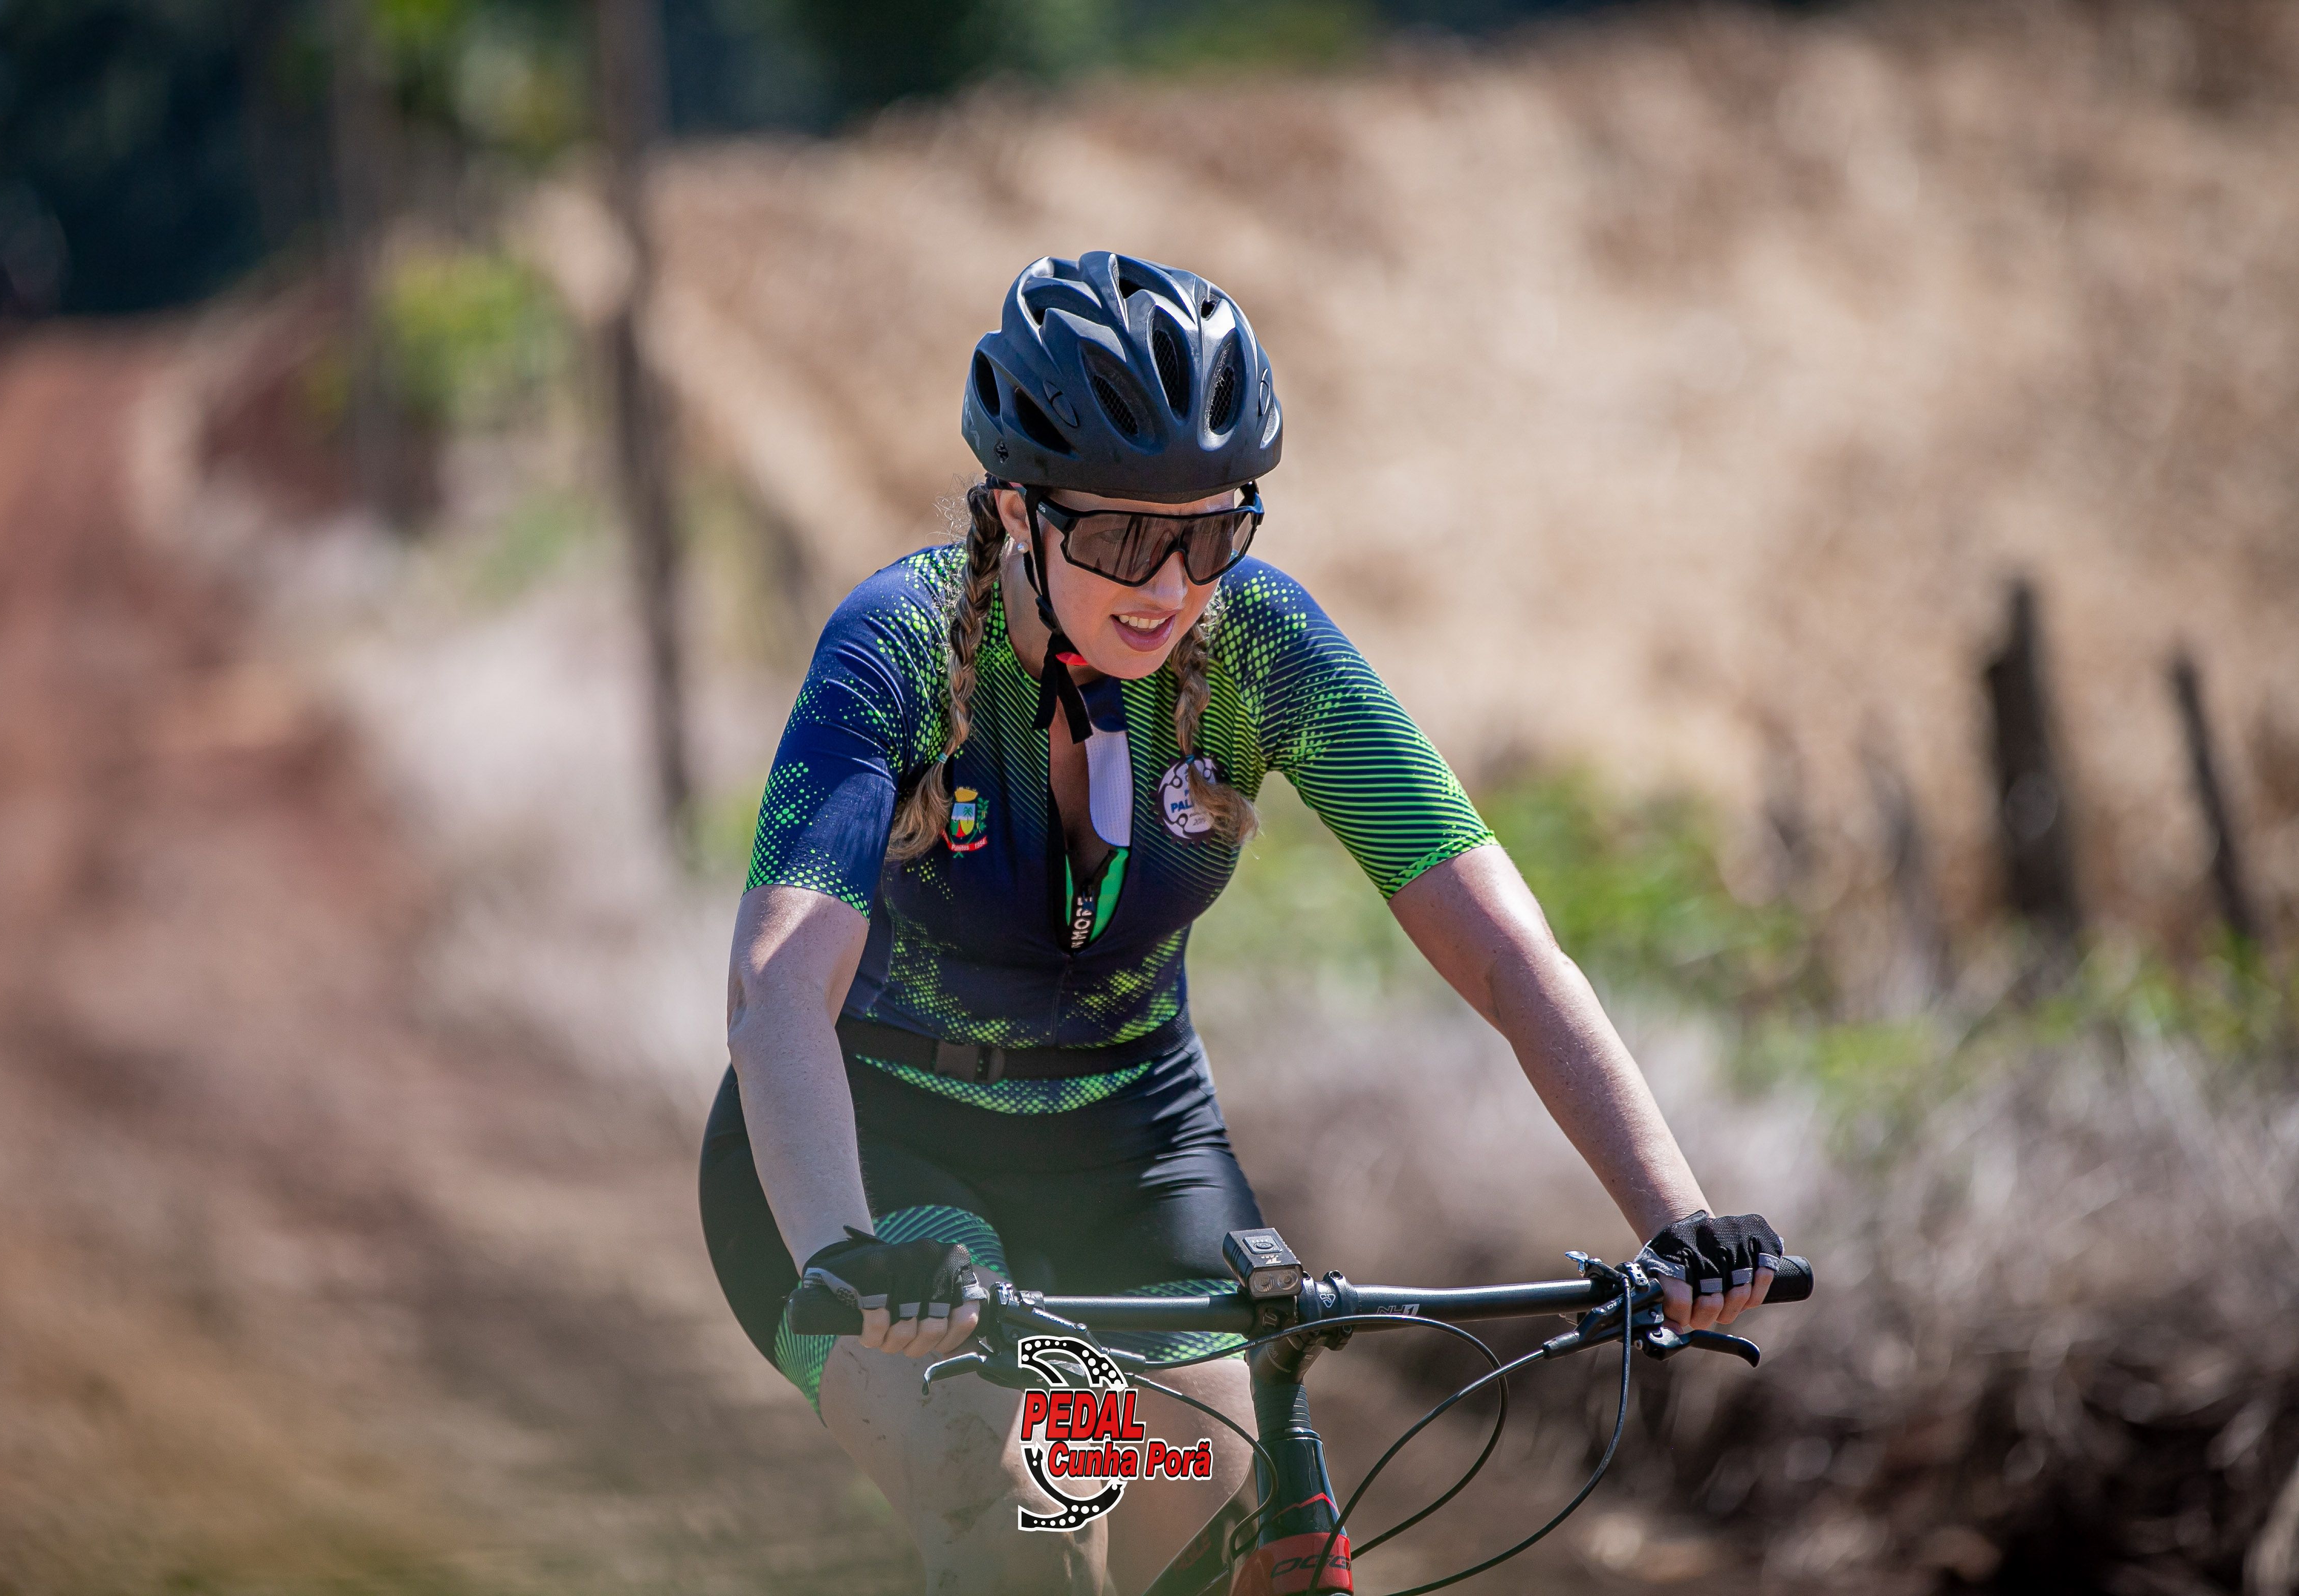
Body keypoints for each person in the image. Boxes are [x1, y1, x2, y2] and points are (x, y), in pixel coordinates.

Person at [700, 251, 1787, 1595]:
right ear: (1015, 512)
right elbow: (777, 987)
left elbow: (1503, 946)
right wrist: (845, 1252)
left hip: (1133, 1143)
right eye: (1120, 538)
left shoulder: (1261, 647)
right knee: (1029, 1491)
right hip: (883, 1147)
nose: (1168, 583)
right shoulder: (903, 645)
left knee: (1232, 1517)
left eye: (1212, 536)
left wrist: (1676, 1216)